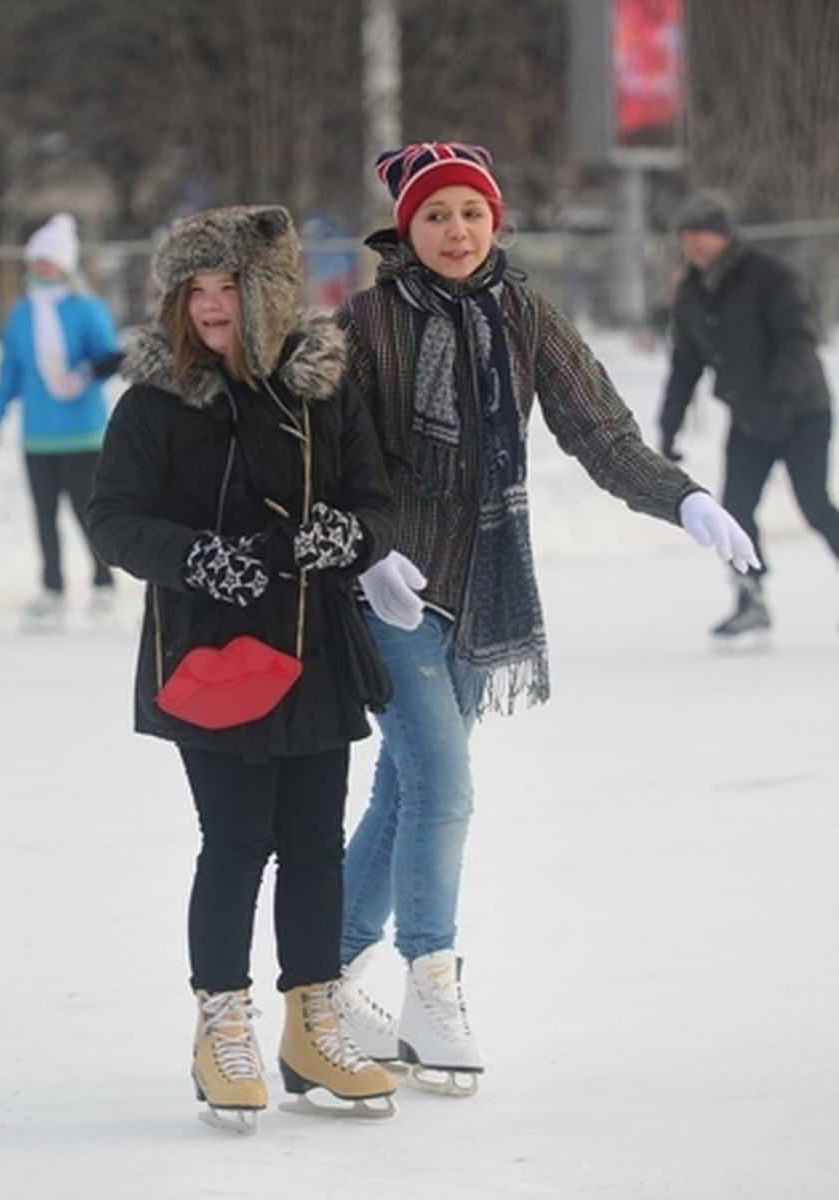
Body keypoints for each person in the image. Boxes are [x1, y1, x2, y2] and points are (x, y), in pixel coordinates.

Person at [331, 142, 758, 1095]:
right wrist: (363, 553)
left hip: (484, 585)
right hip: (391, 586)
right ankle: (431, 983)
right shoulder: (364, 322)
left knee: (402, 795)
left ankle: (320, 974)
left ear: (497, 222)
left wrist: (684, 498)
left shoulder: (524, 315)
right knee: (444, 788)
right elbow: (326, 452)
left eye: (471, 214)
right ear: (408, 229)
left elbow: (599, 430)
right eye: (437, 216)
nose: (456, 231)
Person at [87, 205, 399, 1129]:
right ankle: (221, 1022)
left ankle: (312, 1021)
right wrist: (197, 558)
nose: (212, 307)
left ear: (266, 294)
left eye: (229, 288)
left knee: (312, 844)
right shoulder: (154, 401)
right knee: (236, 840)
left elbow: (375, 504)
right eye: (197, 290)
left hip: (314, 645)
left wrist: (348, 532)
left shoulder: (322, 390)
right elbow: (113, 519)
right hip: (212, 653)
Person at [658, 188, 839, 641]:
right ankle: (750, 597)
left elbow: (799, 340)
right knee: (734, 510)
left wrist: (780, 398)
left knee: (815, 505)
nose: (694, 244)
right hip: (749, 419)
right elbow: (685, 365)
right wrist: (669, 423)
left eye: (702, 234)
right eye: (687, 236)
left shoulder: (770, 276)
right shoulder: (694, 294)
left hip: (802, 412)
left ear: (724, 235)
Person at [0, 213, 121, 629]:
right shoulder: (21, 314)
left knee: (87, 514)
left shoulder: (86, 309)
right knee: (43, 518)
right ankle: (52, 588)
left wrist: (86, 374)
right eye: (37, 261)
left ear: (66, 265)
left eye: (50, 261)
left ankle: (102, 584)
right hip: (38, 436)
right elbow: (10, 374)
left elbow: (109, 356)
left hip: (83, 433)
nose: (42, 269)